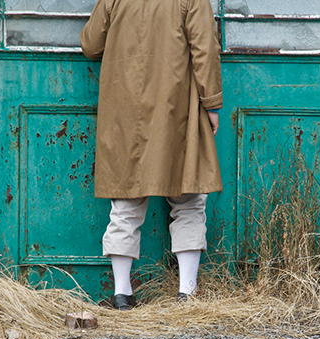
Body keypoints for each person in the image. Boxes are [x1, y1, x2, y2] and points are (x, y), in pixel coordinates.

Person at [80, 0, 223, 310]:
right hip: (176, 111)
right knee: (188, 198)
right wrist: (212, 103)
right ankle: (187, 292)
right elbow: (205, 50)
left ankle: (122, 293)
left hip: (125, 111)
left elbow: (90, 45)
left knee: (126, 200)